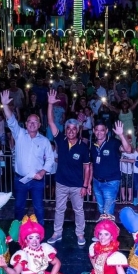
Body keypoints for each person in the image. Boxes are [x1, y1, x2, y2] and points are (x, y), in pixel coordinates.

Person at [0, 90, 54, 224]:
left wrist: (42, 172)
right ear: (25, 123)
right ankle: (16, 232)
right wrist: (5, 105)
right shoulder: (19, 134)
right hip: (20, 179)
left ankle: (40, 231)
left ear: (40, 125)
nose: (32, 123)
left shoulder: (44, 141)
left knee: (39, 207)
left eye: (35, 122)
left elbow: (50, 158)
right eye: (29, 121)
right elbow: (12, 121)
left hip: (37, 181)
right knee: (19, 207)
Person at [46, 90, 91, 247]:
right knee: (59, 209)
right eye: (69, 128)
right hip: (62, 183)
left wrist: (85, 185)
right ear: (65, 130)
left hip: (78, 185)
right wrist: (50, 104)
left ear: (78, 130)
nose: (71, 131)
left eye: (74, 128)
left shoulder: (83, 147)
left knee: (79, 211)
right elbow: (51, 122)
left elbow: (87, 168)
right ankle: (57, 233)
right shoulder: (60, 139)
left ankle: (80, 234)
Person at [88, 119, 132, 221]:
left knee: (107, 211)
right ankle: (104, 233)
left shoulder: (114, 142)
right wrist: (89, 182)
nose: (99, 132)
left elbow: (128, 150)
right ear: (94, 131)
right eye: (97, 130)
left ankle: (108, 235)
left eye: (102, 130)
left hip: (111, 182)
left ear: (106, 131)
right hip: (96, 181)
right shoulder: (92, 145)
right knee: (101, 209)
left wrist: (121, 135)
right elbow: (91, 165)